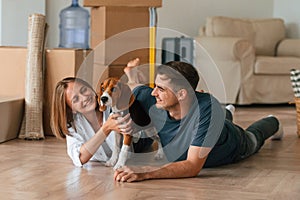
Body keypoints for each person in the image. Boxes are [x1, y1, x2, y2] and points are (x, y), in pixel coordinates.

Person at [114, 58, 284, 182]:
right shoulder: (149, 98)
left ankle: (274, 121)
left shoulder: (207, 109)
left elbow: (192, 165)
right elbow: (132, 88)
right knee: (218, 117)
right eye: (154, 86)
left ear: (182, 94)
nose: (153, 93)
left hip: (232, 144)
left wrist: (144, 172)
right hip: (208, 121)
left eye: (160, 89)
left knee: (253, 137)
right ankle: (227, 113)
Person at [51, 77, 137, 167]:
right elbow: (79, 158)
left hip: (137, 145)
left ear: (90, 87)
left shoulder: (112, 103)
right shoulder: (73, 125)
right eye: (75, 99)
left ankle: (133, 79)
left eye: (84, 90)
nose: (84, 98)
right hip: (112, 161)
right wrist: (106, 128)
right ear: (71, 110)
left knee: (141, 93)